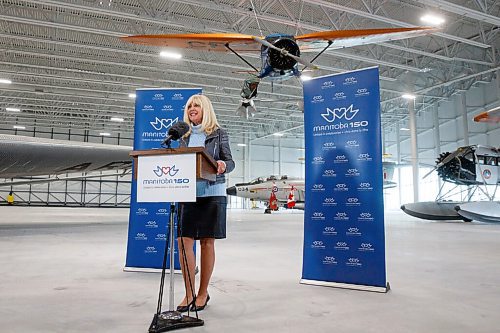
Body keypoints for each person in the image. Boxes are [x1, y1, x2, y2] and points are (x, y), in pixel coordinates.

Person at [176, 94, 235, 312]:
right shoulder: (184, 135)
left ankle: (202, 293)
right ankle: (189, 292)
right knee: (183, 242)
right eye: (189, 106)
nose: (192, 108)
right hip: (187, 192)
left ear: (205, 109)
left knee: (206, 243)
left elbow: (230, 162)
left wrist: (222, 165)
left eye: (196, 105)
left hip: (212, 192)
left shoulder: (219, 133)